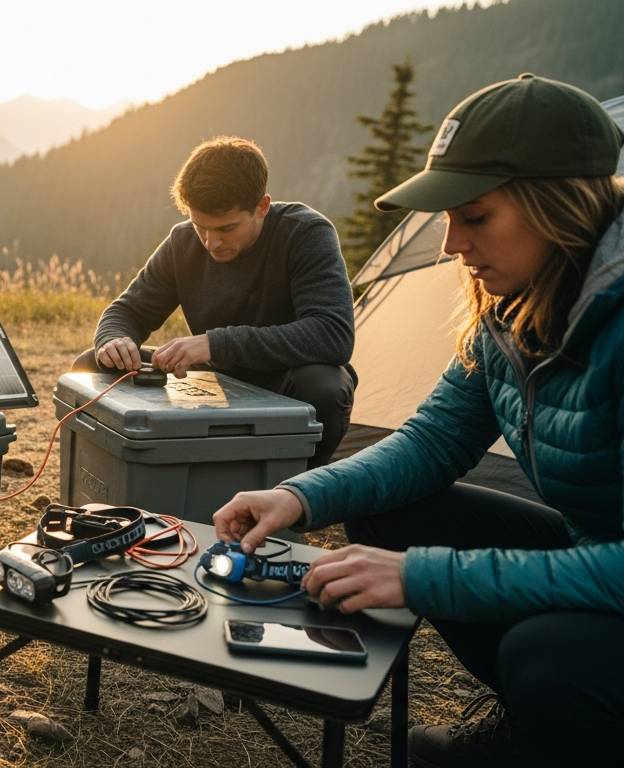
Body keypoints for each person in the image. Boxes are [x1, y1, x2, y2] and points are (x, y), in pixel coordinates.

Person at [213, 74, 624, 765]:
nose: (451, 244)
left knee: (546, 658)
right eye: (448, 219)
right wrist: (299, 496)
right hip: (596, 549)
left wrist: (424, 577)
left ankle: (560, 722)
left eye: (476, 217)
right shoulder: (511, 309)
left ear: (560, 205)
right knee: (387, 512)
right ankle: (542, 725)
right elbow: (432, 442)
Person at [74, 137, 356, 468]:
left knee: (325, 386)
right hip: (212, 377)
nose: (211, 242)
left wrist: (215, 344)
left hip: (283, 381)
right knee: (93, 365)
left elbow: (333, 333)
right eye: (200, 227)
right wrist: (114, 340)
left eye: (226, 228)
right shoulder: (182, 242)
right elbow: (127, 311)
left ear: (262, 206)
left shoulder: (305, 234)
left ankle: (295, 488)